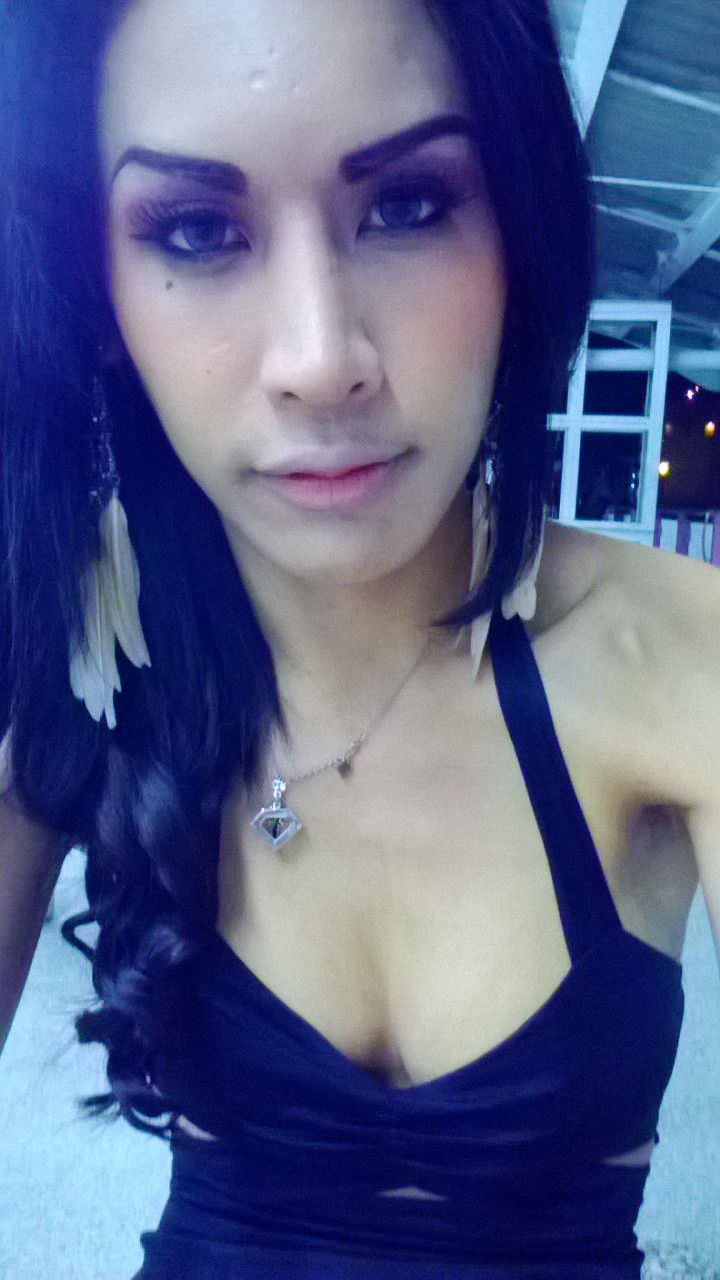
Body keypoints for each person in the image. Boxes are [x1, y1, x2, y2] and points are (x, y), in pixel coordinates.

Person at [1, 0, 718, 1276]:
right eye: (198, 229)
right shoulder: (81, 663)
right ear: (96, 292)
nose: (320, 358)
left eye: (408, 205)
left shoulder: (681, 657)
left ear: (519, 230)